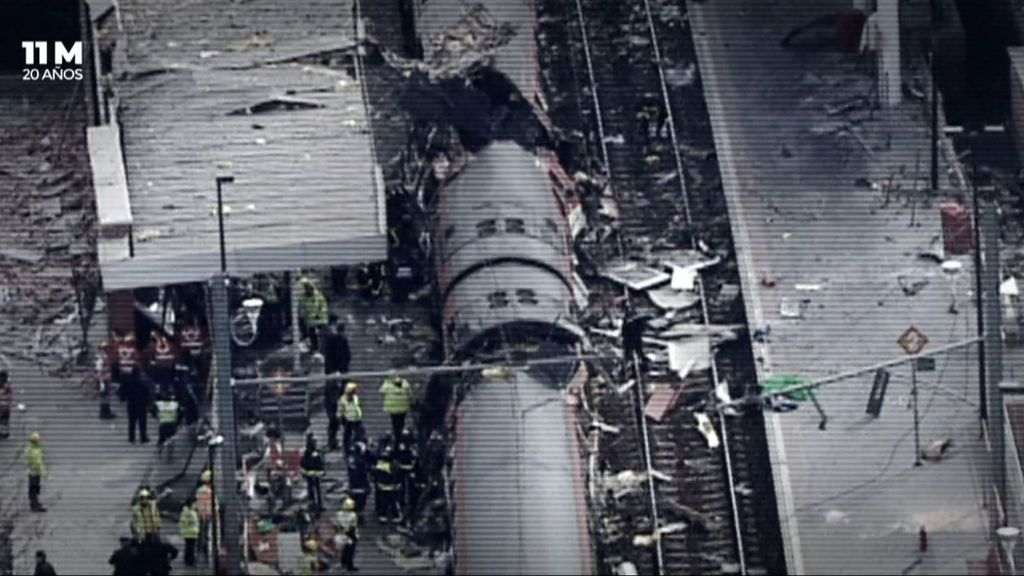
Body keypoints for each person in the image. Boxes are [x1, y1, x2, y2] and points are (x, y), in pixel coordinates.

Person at [120, 368, 151, 444]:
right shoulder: (142, 383)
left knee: (131, 422)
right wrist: (148, 403)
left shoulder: (127, 382)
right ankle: (143, 437)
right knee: (142, 422)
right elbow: (147, 393)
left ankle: (131, 437)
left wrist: (123, 398)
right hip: (141, 405)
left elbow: (122, 392)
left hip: (131, 404)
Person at [394, 429, 419, 520]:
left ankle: (404, 510)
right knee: (404, 491)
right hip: (406, 472)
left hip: (406, 472)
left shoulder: (407, 447)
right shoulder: (411, 447)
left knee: (405, 491)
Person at [373, 447, 402, 524]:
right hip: (390, 487)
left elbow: (376, 474)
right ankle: (393, 516)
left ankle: (384, 516)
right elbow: (398, 475)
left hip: (384, 487)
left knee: (385, 502)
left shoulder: (381, 464)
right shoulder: (395, 464)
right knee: (392, 502)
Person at [379, 374, 412, 441]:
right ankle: (399, 434)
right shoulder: (405, 382)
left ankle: (397, 436)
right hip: (403, 406)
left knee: (395, 422)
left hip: (393, 407)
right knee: (401, 421)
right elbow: (409, 393)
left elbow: (381, 391)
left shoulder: (388, 383)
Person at [300, 434, 325, 513]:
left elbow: (303, 463)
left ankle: (314, 505)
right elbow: (319, 463)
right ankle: (317, 505)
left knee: (312, 490)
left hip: (310, 474)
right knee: (316, 490)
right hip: (314, 474)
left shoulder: (307, 452)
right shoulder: (313, 453)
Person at [346, 441, 372, 513]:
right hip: (361, 486)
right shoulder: (361, 461)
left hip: (353, 486)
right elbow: (367, 468)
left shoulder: (351, 459)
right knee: (360, 505)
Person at [335, 498, 359, 572]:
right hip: (350, 534)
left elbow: (337, 524)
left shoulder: (338, 514)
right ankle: (350, 566)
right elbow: (353, 526)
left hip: (341, 533)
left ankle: (343, 562)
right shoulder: (353, 515)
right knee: (350, 551)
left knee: (344, 549)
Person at [339, 383, 364, 455]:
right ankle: (346, 451)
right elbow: (341, 409)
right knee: (347, 436)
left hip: (357, 419)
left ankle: (358, 449)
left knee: (359, 435)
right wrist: (342, 418)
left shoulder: (356, 397)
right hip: (348, 420)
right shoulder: (343, 399)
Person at [154, 391, 180, 458]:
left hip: (163, 424)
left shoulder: (160, 404)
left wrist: (157, 417)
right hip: (172, 424)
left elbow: (152, 409)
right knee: (171, 439)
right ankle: (170, 455)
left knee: (161, 438)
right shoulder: (174, 404)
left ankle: (159, 452)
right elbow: (179, 413)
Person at [25, 431, 46, 512]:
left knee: (36, 487)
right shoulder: (31, 449)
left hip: (36, 472)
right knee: (33, 488)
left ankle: (35, 502)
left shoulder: (35, 448)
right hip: (33, 472)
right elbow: (36, 461)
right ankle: (34, 505)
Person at [195, 470, 215, 557]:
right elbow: (208, 504)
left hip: (200, 514)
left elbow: (198, 503)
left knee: (200, 533)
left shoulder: (199, 490)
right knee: (206, 534)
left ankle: (199, 549)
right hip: (207, 515)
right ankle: (205, 550)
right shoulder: (208, 491)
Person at [96, 342, 116, 420]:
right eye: (106, 348)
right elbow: (99, 370)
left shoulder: (104, 357)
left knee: (106, 396)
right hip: (103, 380)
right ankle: (104, 412)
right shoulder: (100, 358)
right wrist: (101, 381)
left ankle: (107, 411)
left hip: (106, 378)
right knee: (104, 396)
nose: (108, 349)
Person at [179, 496, 200, 567]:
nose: (196, 504)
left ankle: (188, 560)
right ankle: (190, 561)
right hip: (189, 533)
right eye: (195, 503)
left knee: (189, 547)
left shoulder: (191, 511)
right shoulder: (188, 511)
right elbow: (183, 521)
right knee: (191, 548)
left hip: (191, 532)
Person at [0, 371, 11, 438]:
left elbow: (9, 396)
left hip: (4, 406)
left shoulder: (7, 386)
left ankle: (5, 432)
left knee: (4, 421)